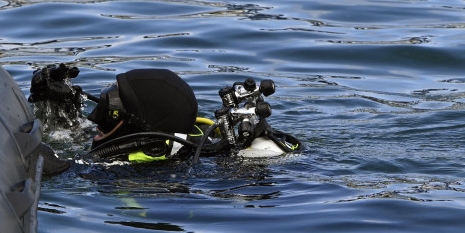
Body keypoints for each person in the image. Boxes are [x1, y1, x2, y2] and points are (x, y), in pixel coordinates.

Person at [29, 63, 301, 167]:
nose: (101, 112)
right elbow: (88, 137)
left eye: (113, 108)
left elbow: (57, 166)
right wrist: (61, 107)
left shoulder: (135, 157)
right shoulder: (184, 133)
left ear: (140, 124)